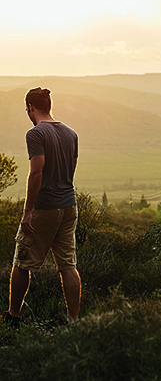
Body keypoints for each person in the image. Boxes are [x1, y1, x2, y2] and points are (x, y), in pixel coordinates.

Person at [3, 87, 80, 327]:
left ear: (30, 108)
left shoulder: (35, 134)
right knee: (68, 265)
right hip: (69, 205)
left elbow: (36, 172)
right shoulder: (71, 133)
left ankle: (13, 317)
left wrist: (28, 212)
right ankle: (74, 322)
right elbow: (71, 170)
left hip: (44, 208)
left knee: (21, 262)